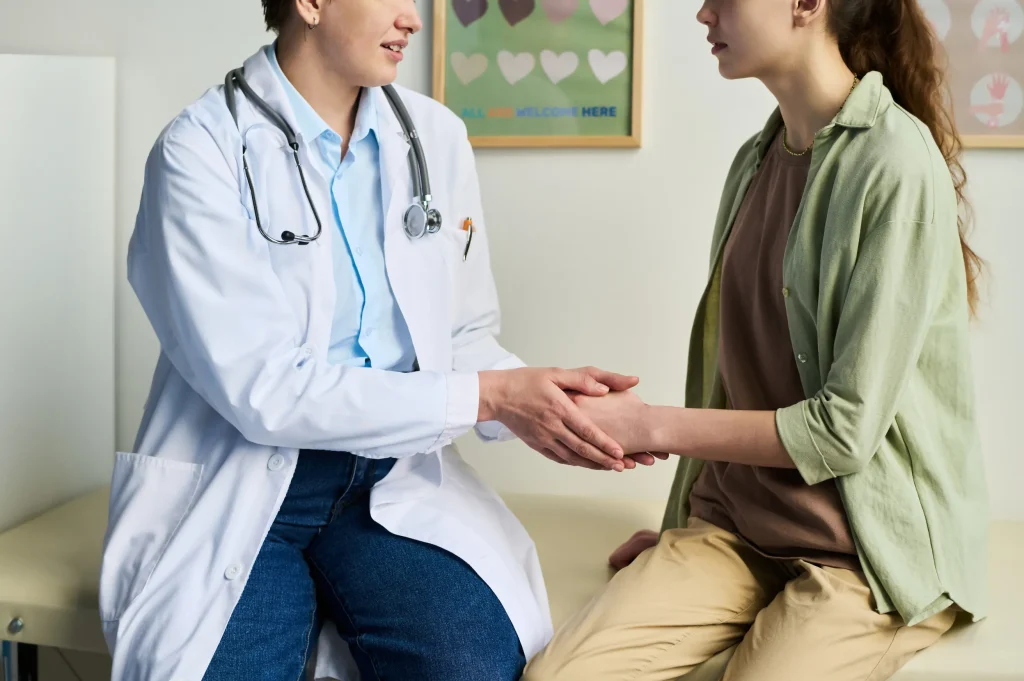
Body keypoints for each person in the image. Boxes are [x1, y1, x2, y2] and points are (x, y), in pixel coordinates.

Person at [97, 1, 658, 680]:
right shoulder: (199, 152)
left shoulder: (435, 139)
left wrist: (554, 405)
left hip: (388, 478)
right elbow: (265, 391)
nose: (413, 19)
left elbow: (463, 336)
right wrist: (492, 398)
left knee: (472, 665)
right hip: (246, 482)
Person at [523, 0, 988, 679]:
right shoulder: (755, 160)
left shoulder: (894, 163)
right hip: (735, 529)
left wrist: (649, 426)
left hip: (864, 553)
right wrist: (679, 527)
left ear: (806, 5)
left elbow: (842, 433)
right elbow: (731, 373)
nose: (704, 13)